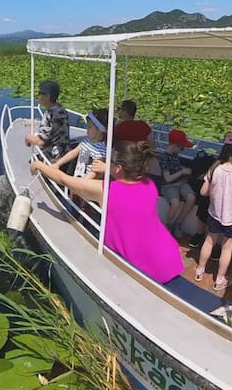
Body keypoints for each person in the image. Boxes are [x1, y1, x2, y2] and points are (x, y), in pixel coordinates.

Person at [30, 139, 184, 284]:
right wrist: (107, 169)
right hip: (167, 256)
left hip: (143, 269)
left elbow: (64, 180)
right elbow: (126, 180)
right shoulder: (149, 184)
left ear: (118, 167)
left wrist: (39, 165)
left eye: (109, 161)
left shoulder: (106, 190)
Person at [194, 132, 232, 293]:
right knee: (227, 248)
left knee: (209, 241)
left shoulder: (214, 169)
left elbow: (203, 192)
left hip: (214, 214)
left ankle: (200, 270)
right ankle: (219, 279)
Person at [159, 128, 196, 235]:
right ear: (175, 145)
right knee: (175, 203)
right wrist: (182, 171)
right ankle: (167, 226)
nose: (183, 149)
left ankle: (179, 222)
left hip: (181, 183)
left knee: (191, 197)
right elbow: (168, 178)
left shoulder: (175, 155)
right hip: (169, 185)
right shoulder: (165, 157)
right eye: (182, 147)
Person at [53, 108, 108, 177]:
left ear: (100, 130)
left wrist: (81, 182)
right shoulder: (87, 141)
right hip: (78, 177)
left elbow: (95, 172)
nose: (87, 129)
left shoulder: (102, 151)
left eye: (90, 127)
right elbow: (73, 153)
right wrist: (58, 164)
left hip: (85, 184)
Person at [25, 80, 71, 162]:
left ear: (47, 96)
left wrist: (28, 138)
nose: (38, 96)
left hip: (54, 156)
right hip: (65, 152)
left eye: (40, 93)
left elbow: (41, 142)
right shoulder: (61, 109)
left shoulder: (50, 114)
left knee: (31, 162)